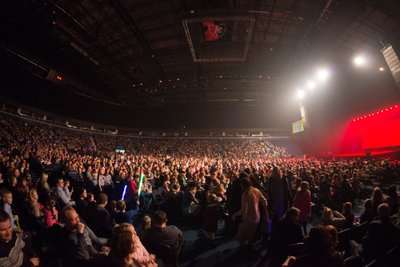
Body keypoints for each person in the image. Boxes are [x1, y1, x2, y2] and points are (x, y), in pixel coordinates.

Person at [232, 178, 269, 247]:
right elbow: (264, 201)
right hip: (257, 216)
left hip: (249, 218)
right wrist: (265, 211)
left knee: (242, 237)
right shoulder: (256, 190)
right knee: (250, 236)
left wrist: (234, 215)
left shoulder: (245, 194)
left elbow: (243, 210)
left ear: (243, 186)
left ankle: (245, 253)